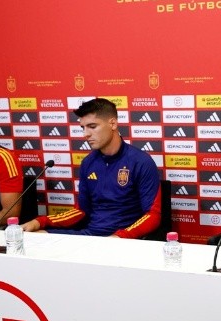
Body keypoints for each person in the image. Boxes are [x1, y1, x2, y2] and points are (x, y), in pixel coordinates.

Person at [22, 98, 161, 237]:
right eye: (83, 128)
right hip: (90, 236)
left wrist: (121, 237)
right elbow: (81, 211)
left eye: (92, 126)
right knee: (37, 236)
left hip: (123, 240)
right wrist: (39, 222)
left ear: (113, 124)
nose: (85, 134)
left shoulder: (141, 161)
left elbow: (153, 215)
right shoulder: (88, 162)